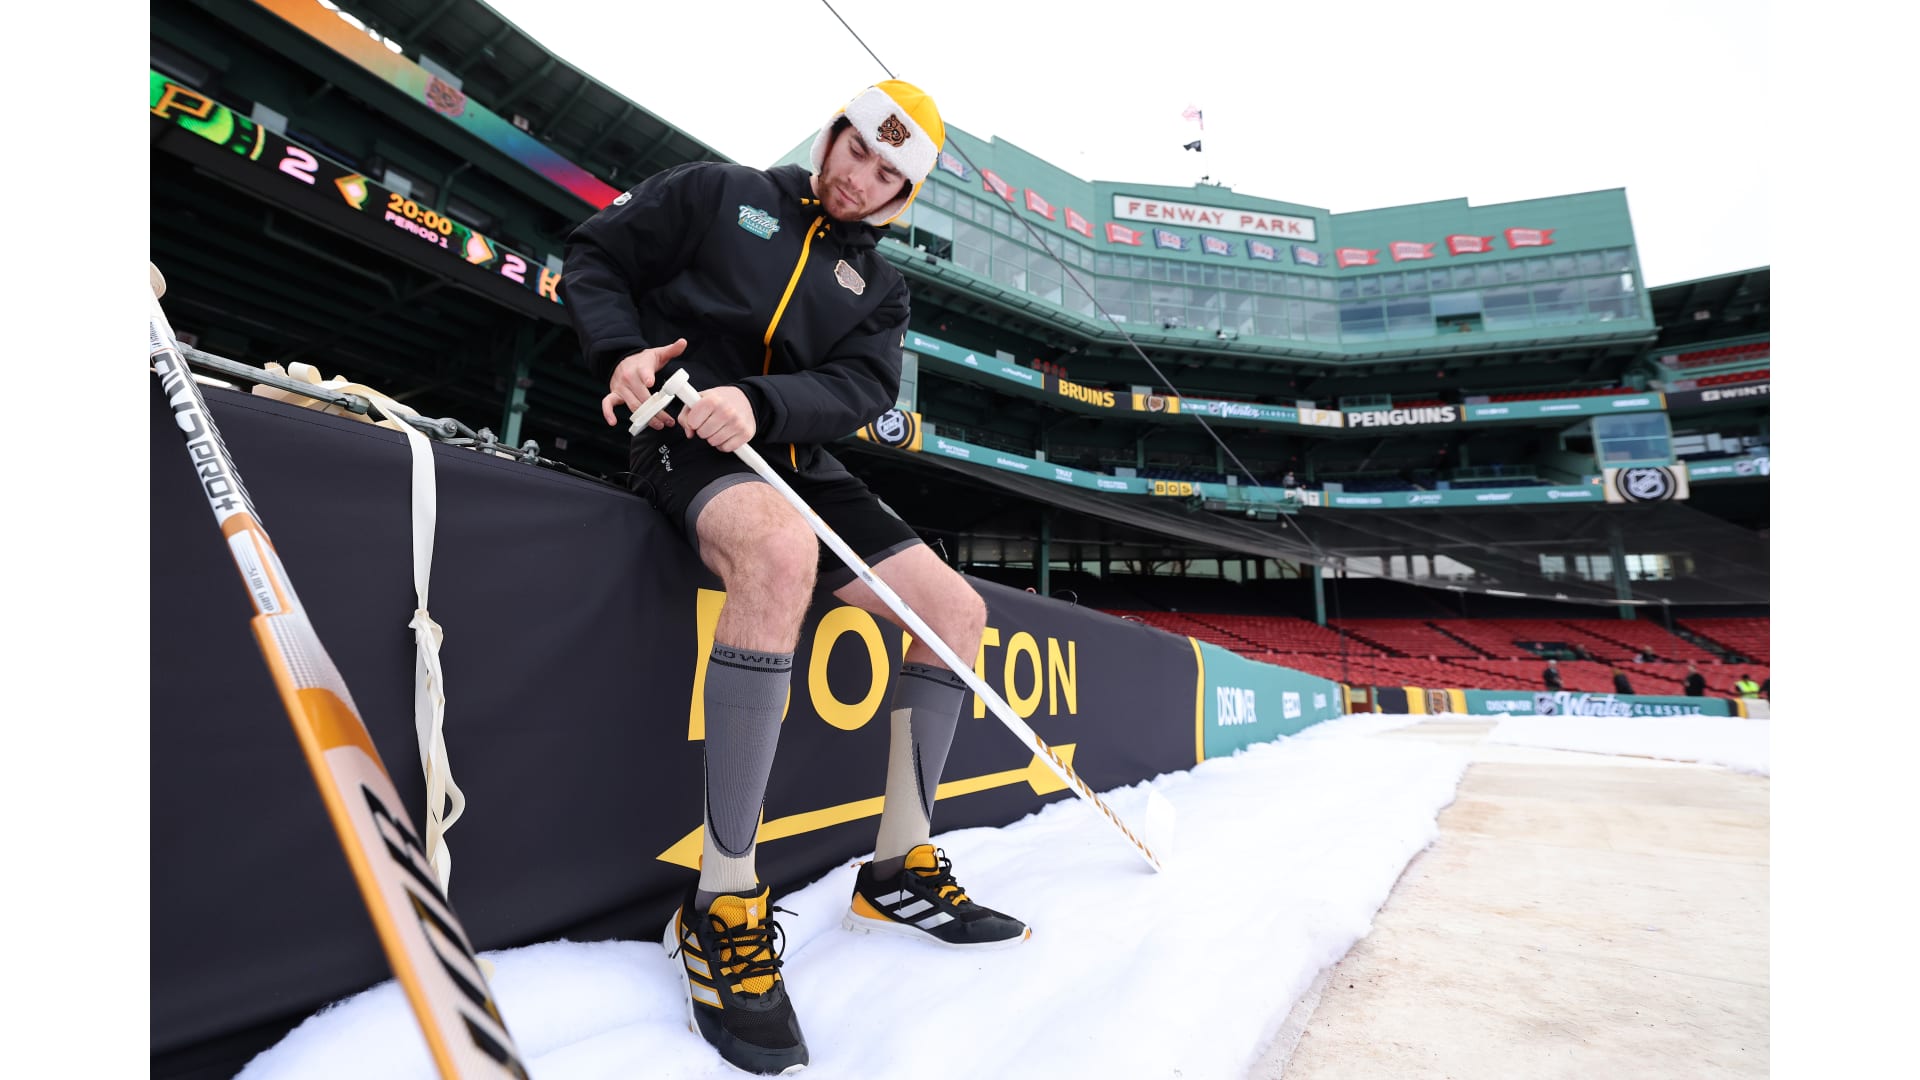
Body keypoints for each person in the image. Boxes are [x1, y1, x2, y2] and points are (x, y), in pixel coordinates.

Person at [560, 80, 1028, 1075]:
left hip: (795, 454)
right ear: (833, 134)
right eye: (856, 150)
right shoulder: (719, 191)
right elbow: (595, 255)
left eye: (887, 174)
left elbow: (859, 388)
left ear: (904, 195)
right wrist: (623, 352)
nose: (860, 179)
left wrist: (761, 403)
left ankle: (897, 869)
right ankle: (721, 900)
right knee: (779, 550)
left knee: (956, 612)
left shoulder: (881, 290)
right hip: (684, 438)